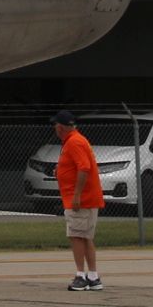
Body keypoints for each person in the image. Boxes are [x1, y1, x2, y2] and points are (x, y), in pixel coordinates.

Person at [52, 110, 104, 290]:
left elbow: (84, 168)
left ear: (60, 127)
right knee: (85, 236)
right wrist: (60, 171)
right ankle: (93, 277)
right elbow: (78, 167)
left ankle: (81, 276)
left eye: (56, 125)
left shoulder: (74, 142)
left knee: (76, 236)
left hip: (81, 200)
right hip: (86, 199)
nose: (55, 128)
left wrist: (77, 195)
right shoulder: (75, 140)